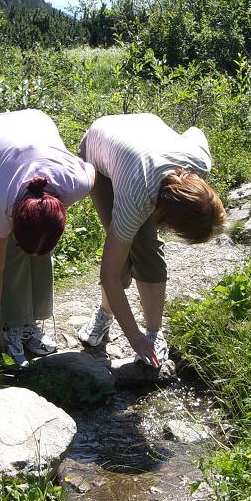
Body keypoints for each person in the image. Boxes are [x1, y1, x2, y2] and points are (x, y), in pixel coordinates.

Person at [77, 113, 226, 368]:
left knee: (147, 249)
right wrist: (133, 337)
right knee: (121, 262)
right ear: (166, 218)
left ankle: (154, 334)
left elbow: (195, 131)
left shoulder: (200, 161)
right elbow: (108, 273)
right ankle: (105, 314)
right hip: (99, 150)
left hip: (139, 138)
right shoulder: (137, 195)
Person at [0, 109, 95, 368]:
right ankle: (11, 326)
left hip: (34, 124)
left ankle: (29, 323)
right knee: (12, 250)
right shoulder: (0, 201)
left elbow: (90, 168)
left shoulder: (77, 184)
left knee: (40, 238)